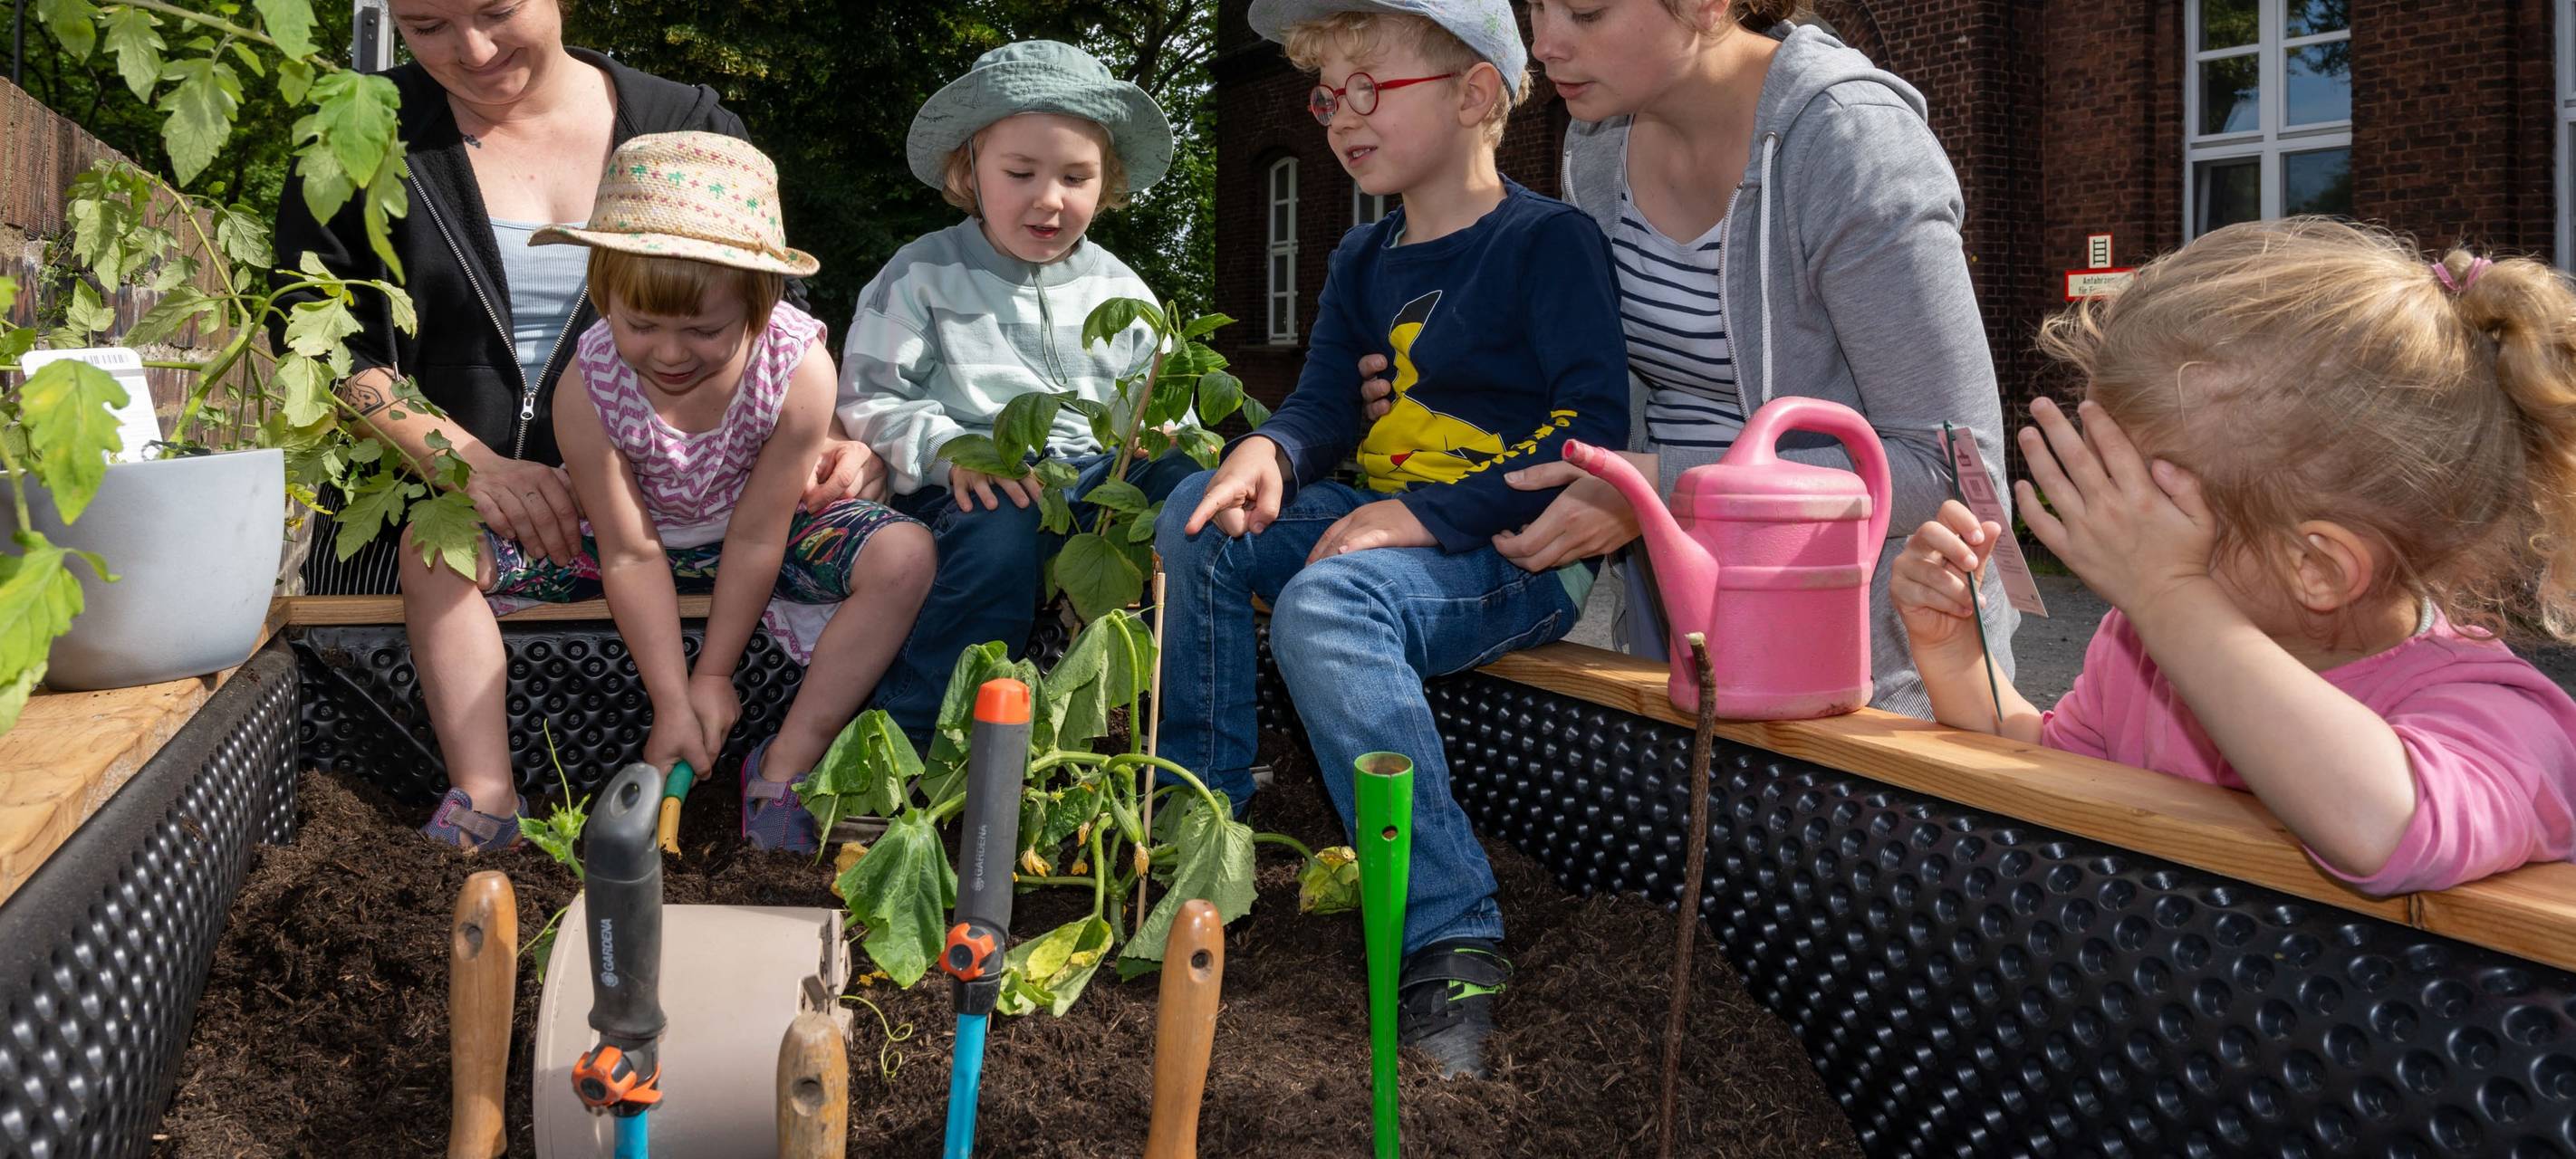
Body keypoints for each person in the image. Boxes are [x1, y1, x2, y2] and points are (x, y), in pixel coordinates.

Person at [1158, 0, 1629, 1078]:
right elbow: (1325, 405)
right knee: (1202, 528)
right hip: (1385, 528)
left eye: (1372, 88)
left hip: (1516, 550)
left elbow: (1591, 433)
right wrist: (1270, 454)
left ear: (1474, 97)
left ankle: (1450, 929)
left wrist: (1419, 515)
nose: (1340, 117)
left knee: (1328, 604)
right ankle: (1205, 823)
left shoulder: (1545, 243)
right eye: (1330, 95)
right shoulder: (1362, 257)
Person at [1358, 0, 2016, 715]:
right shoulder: (1600, 143)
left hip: (1866, 676)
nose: (1545, 45)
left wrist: (1658, 490)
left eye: (1586, 11)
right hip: (1679, 645)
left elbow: (1953, 466)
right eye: (1538, 7)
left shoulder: (1851, 145)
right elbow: (1603, 383)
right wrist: (1443, 388)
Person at [1893, 217, 2576, 896]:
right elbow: (2060, 773)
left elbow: (2383, 828)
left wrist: (2167, 595)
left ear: (2318, 567)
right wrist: (1962, 662)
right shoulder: (2147, 649)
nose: (2113, 539)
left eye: (2147, 511)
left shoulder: (2498, 717)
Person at [407, 133, 933, 852]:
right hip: (616, 540)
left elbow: (757, 534)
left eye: (704, 330)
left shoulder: (799, 370)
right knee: (435, 548)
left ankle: (786, 769)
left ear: (759, 303)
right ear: (603, 298)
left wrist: (713, 675)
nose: (670, 352)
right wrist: (672, 700)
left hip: (759, 538)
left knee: (904, 555)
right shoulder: (588, 385)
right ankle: (488, 794)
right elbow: (629, 552)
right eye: (641, 325)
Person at [272, 0, 878, 596]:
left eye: (499, 12)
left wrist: (821, 443)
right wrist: (466, 466)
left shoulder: (689, 123)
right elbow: (319, 347)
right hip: (415, 550)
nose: (475, 50)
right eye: (426, 27)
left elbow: (777, 326)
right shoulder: (351, 131)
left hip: (689, 558)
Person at [839, 40, 1198, 745]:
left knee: (1190, 507)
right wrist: (951, 453)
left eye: (1076, 176)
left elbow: (1164, 400)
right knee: (999, 543)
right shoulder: (923, 274)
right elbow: (872, 396)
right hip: (977, 480)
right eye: (1020, 172)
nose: (1049, 199)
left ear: (1108, 182)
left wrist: (1166, 439)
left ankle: (1178, 741)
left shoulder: (1121, 288)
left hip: (1100, 479)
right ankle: (913, 741)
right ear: (969, 171)